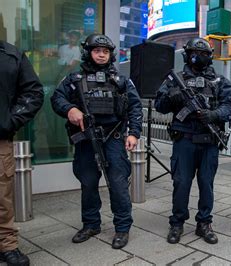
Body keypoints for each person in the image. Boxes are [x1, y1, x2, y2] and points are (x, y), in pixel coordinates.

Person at [51, 34, 142, 249]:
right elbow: (57, 98)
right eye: (96, 50)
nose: (101, 55)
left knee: (118, 184)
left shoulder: (121, 81)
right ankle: (91, 224)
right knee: (88, 182)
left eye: (106, 51)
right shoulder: (74, 79)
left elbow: (135, 107)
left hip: (114, 137)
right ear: (88, 53)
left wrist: (134, 133)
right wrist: (70, 109)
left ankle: (122, 228)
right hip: (86, 138)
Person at [155, 38, 231, 245]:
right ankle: (177, 223)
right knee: (181, 183)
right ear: (186, 54)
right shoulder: (175, 80)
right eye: (193, 52)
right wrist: (172, 97)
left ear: (210, 57)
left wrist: (213, 115)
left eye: (203, 53)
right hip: (184, 141)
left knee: (206, 184)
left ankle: (204, 223)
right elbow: (159, 105)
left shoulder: (219, 82)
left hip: (209, 142)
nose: (198, 56)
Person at [0, 40, 44, 266]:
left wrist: (9, 122)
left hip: (0, 139)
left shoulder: (11, 55)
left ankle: (6, 244)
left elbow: (33, 92)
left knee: (2, 196)